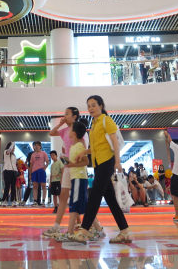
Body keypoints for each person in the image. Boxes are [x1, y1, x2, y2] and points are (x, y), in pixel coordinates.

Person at [69, 95, 131, 244]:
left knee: (95, 196)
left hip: (107, 162)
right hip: (98, 164)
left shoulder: (106, 120)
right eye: (88, 106)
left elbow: (115, 142)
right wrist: (84, 152)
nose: (90, 108)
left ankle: (84, 230)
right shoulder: (94, 124)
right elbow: (97, 147)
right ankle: (124, 231)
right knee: (110, 199)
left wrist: (118, 162)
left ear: (101, 106)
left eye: (93, 105)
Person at [45, 106, 85, 235]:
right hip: (68, 167)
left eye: (67, 114)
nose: (65, 116)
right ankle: (57, 226)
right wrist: (60, 124)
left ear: (75, 116)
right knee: (64, 197)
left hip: (77, 168)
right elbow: (52, 133)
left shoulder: (79, 131)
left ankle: (93, 225)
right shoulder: (64, 131)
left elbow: (84, 151)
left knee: (79, 199)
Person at [59, 121, 89, 240]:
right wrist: (67, 161)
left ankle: (70, 232)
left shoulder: (80, 146)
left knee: (74, 204)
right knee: (83, 205)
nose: (68, 132)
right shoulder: (73, 147)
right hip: (76, 178)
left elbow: (86, 162)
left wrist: (72, 165)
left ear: (75, 133)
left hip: (79, 178)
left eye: (71, 130)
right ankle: (98, 228)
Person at [1, 141, 17, 206]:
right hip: (7, 171)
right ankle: (4, 201)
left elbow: (14, 164)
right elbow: (9, 150)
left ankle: (13, 201)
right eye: (13, 147)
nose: (14, 149)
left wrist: (16, 171)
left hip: (14, 172)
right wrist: (12, 143)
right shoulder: (6, 152)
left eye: (14, 148)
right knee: (7, 187)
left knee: (13, 187)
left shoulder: (14, 155)